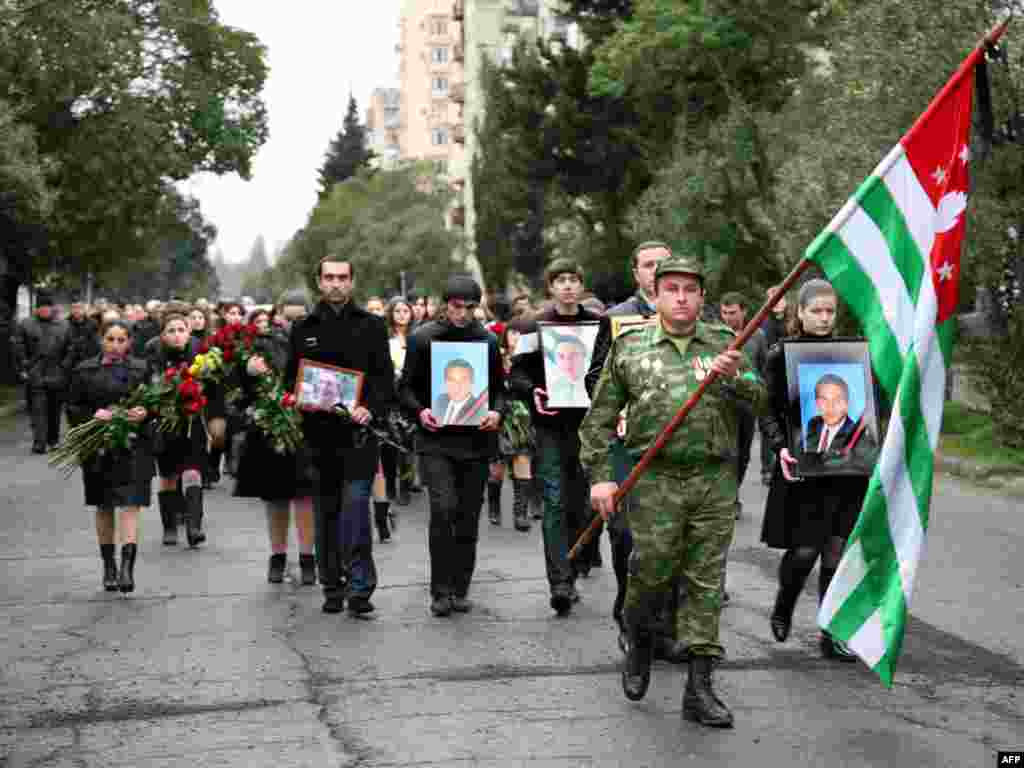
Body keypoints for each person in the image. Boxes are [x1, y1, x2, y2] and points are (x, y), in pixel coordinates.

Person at [580, 255, 765, 728]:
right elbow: (598, 421)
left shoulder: (727, 343)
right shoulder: (632, 347)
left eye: (690, 289)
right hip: (655, 478)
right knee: (652, 572)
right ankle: (639, 640)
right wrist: (602, 476)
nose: (681, 297)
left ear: (702, 296)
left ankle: (700, 687)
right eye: (672, 289)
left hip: (713, 478)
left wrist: (738, 379)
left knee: (705, 580)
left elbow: (762, 400)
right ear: (656, 295)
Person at [759, 279, 869, 663]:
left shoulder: (852, 352)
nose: (823, 318)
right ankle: (784, 604)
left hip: (848, 470)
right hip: (803, 468)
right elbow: (767, 409)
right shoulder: (781, 353)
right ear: (800, 313)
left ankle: (832, 632)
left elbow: (869, 403)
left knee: (837, 550)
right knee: (805, 551)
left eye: (829, 311)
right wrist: (780, 448)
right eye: (816, 311)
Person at [584, 241, 682, 660]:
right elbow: (594, 378)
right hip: (628, 443)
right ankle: (630, 616)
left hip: (676, 444)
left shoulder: (691, 316)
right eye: (648, 265)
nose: (656, 270)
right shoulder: (616, 319)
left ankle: (665, 628)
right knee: (626, 534)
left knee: (675, 537)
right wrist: (619, 408)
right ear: (637, 273)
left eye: (664, 264)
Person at [285, 257, 395, 615]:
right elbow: (291, 380)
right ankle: (332, 586)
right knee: (326, 514)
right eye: (329, 277)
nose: (335, 283)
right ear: (319, 282)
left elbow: (383, 380)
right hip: (319, 437)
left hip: (359, 436)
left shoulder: (373, 326)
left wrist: (371, 409)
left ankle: (361, 588)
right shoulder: (303, 328)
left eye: (342, 277)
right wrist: (296, 397)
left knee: (356, 511)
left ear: (352, 282)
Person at [398, 274, 504, 617]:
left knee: (468, 516)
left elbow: (499, 389)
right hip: (436, 440)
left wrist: (496, 413)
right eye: (457, 307)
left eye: (470, 308)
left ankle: (460, 587)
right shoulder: (422, 338)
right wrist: (421, 411)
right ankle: (440, 590)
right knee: (443, 509)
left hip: (475, 441)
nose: (463, 314)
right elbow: (405, 389)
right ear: (445, 305)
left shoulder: (486, 341)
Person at [509, 258, 602, 616]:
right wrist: (533, 391)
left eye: (573, 279)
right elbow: (516, 375)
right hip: (550, 427)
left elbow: (611, 369)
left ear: (581, 285)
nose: (567, 286)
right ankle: (559, 582)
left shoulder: (597, 323)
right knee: (554, 500)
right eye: (560, 280)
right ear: (550, 287)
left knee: (582, 502)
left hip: (590, 426)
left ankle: (577, 565)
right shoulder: (535, 324)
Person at [66, 320, 152, 593]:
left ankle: (127, 568)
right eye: (110, 339)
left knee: (130, 504)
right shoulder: (84, 370)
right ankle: (109, 566)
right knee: (104, 505)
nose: (116, 345)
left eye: (121, 340)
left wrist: (144, 412)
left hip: (134, 444)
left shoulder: (140, 369)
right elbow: (72, 406)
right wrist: (92, 415)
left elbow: (153, 403)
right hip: (98, 444)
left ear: (129, 342)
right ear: (101, 340)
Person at [234, 307, 317, 586]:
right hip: (270, 427)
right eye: (287, 317)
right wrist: (248, 372)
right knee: (275, 496)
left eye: (298, 317)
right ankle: (278, 557)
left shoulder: (315, 339)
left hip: (307, 425)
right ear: (277, 316)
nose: (291, 323)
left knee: (306, 495)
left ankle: (308, 558)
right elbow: (243, 388)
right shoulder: (261, 344)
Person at [145, 302, 210, 548]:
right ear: (163, 335)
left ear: (189, 331)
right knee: (169, 475)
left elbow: (212, 385)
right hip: (165, 422)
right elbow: (149, 387)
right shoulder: (154, 352)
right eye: (170, 331)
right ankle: (170, 527)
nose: (176, 334)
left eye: (181, 329)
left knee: (193, 471)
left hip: (192, 421)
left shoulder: (200, 352)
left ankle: (194, 527)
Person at [12, 290, 70, 454]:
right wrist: (24, 367)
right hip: (35, 371)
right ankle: (39, 442)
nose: (45, 310)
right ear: (36, 309)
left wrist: (65, 367)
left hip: (56, 372)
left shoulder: (63, 325)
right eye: (41, 307)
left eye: (47, 307)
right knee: (37, 409)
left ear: (52, 308)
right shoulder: (26, 324)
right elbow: (18, 347)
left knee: (54, 409)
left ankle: (53, 440)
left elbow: (71, 348)